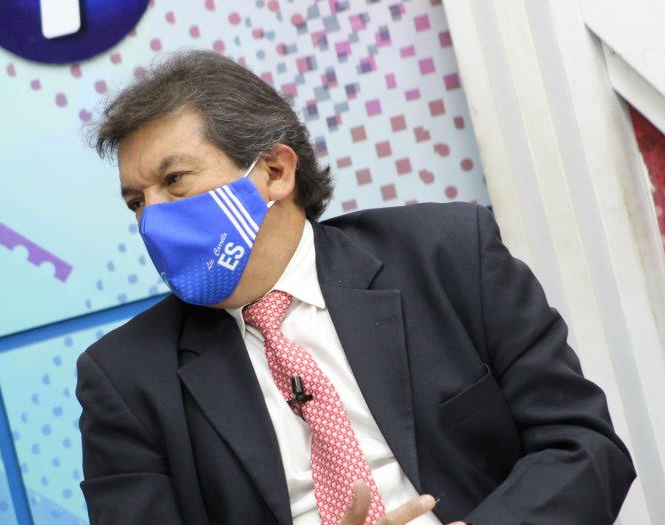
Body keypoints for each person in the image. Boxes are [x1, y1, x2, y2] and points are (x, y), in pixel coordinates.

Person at [76, 49, 635, 524]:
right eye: (136, 202)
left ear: (275, 172)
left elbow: (583, 445)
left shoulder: (445, 255)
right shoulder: (126, 378)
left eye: (174, 181)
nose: (152, 221)